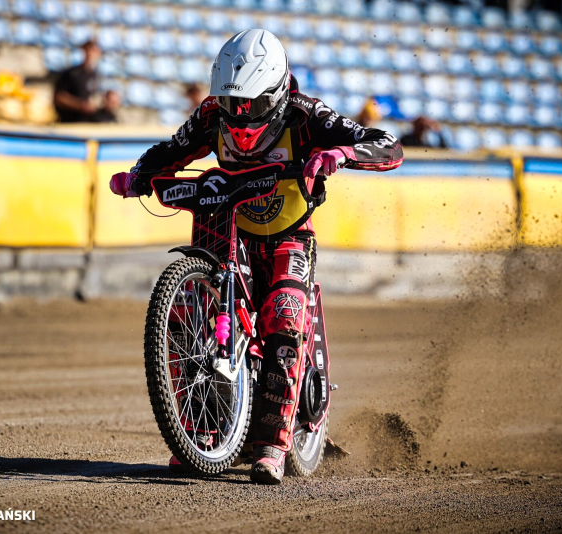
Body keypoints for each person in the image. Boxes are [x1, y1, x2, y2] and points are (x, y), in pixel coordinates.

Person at [110, 29, 403, 485]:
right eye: (232, 105)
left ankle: (272, 444)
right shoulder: (212, 115)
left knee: (284, 316)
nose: (240, 117)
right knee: (190, 316)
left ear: (278, 92)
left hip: (289, 236)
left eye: (252, 105)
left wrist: (342, 153)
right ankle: (202, 434)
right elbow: (172, 149)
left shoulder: (308, 116)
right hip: (229, 232)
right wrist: (139, 175)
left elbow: (387, 143)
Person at [53, 40, 114, 123]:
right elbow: (59, 98)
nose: (92, 55)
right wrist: (80, 105)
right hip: (71, 122)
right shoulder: (71, 73)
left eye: (95, 51)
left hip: (90, 122)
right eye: (90, 51)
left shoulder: (96, 75)